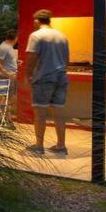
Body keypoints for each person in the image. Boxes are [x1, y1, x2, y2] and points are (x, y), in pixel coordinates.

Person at [24, 9, 69, 155]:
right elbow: (67, 59)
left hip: (44, 78)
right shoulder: (62, 36)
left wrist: (27, 76)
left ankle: (39, 146)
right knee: (59, 113)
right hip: (61, 77)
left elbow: (31, 59)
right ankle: (61, 146)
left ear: (37, 20)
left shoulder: (36, 36)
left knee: (40, 113)